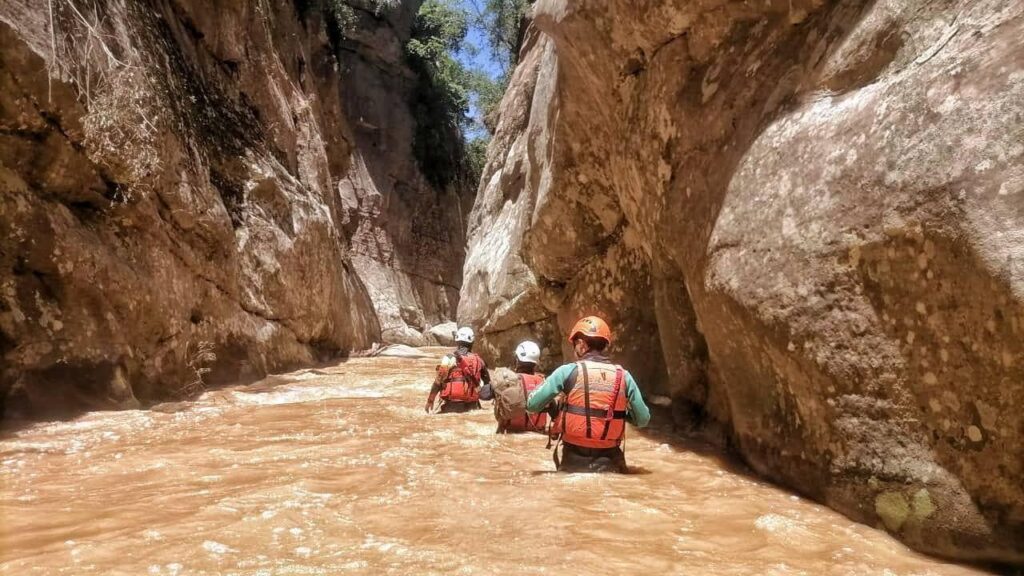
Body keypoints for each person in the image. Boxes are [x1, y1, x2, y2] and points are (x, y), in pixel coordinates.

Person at [525, 316, 650, 472]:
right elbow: (643, 419)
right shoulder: (624, 376)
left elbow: (532, 405)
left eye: (575, 345)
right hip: (611, 462)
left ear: (581, 345)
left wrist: (555, 407)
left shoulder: (567, 371)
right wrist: (621, 415)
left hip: (573, 460)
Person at [480, 340, 548, 433]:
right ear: (536, 362)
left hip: (511, 434)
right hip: (538, 434)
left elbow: (483, 395)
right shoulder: (544, 382)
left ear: (517, 359)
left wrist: (495, 386)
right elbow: (555, 412)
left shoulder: (507, 381)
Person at [424, 327, 490, 414]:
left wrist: (430, 400)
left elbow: (438, 381)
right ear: (472, 342)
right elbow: (488, 385)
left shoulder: (448, 358)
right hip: (472, 406)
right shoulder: (479, 361)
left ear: (457, 341)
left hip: (450, 406)